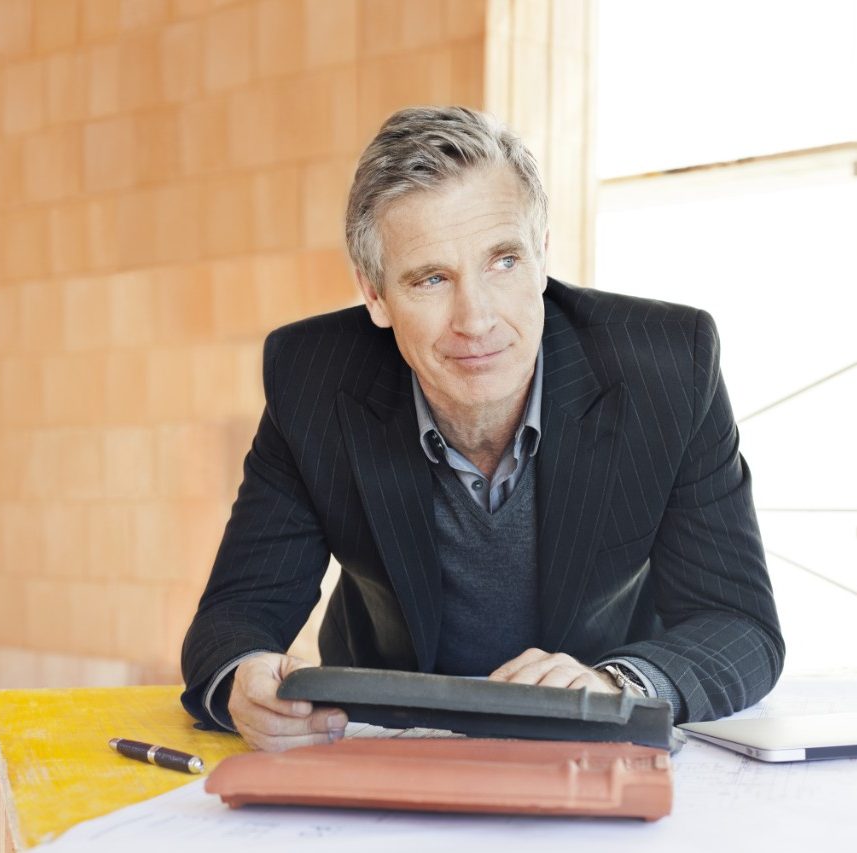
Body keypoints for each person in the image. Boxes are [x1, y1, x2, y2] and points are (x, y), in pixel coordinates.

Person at [180, 106, 784, 752]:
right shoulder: (312, 381)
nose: (476, 319)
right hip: (389, 745)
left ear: (542, 255)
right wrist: (246, 679)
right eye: (431, 278)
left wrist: (616, 685)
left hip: (587, 746)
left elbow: (739, 623)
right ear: (375, 294)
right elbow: (232, 619)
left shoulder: (669, 370)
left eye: (502, 262)